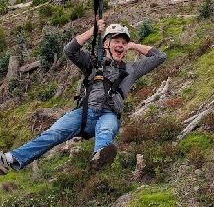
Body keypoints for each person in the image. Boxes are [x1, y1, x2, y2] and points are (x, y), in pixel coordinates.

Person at [0, 20, 166, 174]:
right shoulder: (92, 62)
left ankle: (98, 159)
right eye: (117, 41)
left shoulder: (132, 69)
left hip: (109, 114)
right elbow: (69, 50)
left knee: (106, 130)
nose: (121, 46)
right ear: (106, 44)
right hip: (84, 113)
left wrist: (134, 45)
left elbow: (159, 56)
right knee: (54, 133)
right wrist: (92, 31)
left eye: (124, 43)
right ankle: (10, 159)